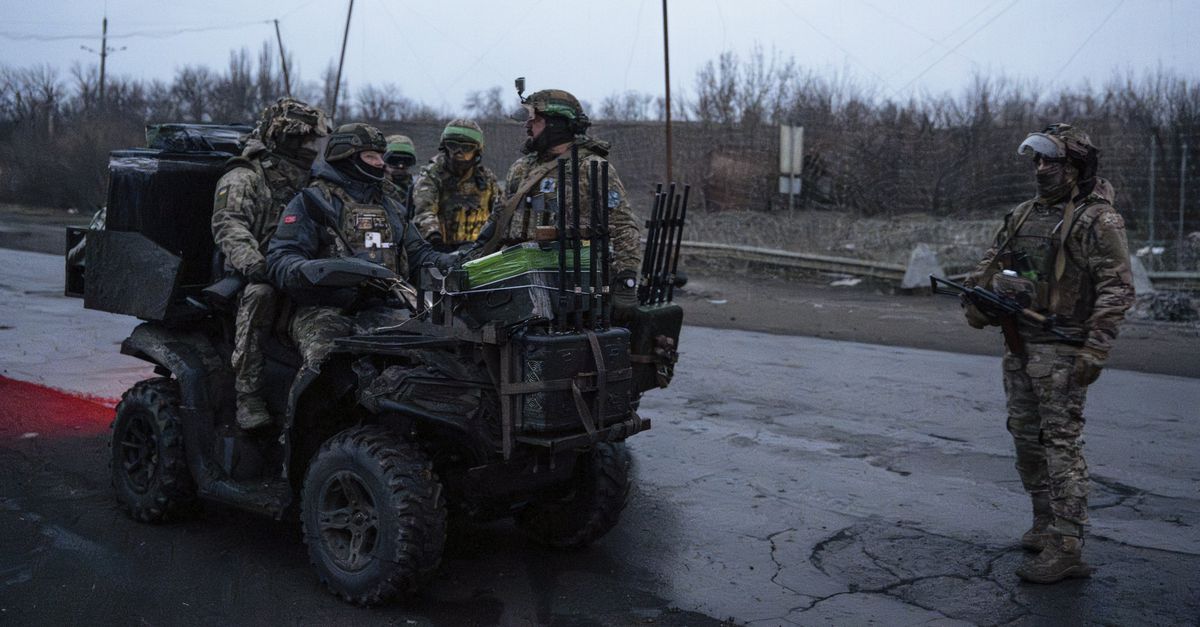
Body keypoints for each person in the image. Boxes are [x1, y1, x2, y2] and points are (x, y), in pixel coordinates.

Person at [963, 123, 1134, 584]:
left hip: (1062, 345)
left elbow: (1117, 289)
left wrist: (1095, 349)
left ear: (1074, 165)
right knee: (1024, 436)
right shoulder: (1024, 214)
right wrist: (978, 300)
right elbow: (989, 265)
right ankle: (1043, 523)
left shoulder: (1098, 219)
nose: (1040, 169)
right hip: (1020, 344)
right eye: (1036, 161)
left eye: (1050, 161)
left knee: (1061, 445)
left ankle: (1068, 545)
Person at [266, 122, 452, 377]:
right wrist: (318, 270)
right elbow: (280, 259)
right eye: (371, 156)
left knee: (442, 347)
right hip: (326, 308)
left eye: (380, 156)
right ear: (346, 157)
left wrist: (460, 261)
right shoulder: (312, 202)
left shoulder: (391, 207)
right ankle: (314, 415)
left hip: (389, 305)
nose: (380, 163)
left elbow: (421, 256)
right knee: (328, 360)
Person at [211, 98, 331, 430]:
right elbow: (228, 225)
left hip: (304, 270)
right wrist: (254, 263)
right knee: (260, 295)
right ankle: (247, 394)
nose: (309, 147)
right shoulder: (246, 176)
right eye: (300, 138)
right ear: (280, 136)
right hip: (260, 272)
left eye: (313, 139)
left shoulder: (315, 180)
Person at [470, 89, 641, 309]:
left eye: (536, 120)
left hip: (568, 283)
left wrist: (625, 282)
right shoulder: (522, 168)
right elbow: (498, 220)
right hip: (515, 276)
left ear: (557, 124)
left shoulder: (591, 167)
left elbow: (623, 226)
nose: (527, 126)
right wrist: (473, 259)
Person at [411, 119, 501, 252]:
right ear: (444, 146)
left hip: (478, 250)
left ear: (476, 150)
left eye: (466, 147)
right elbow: (424, 211)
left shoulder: (486, 179)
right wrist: (435, 240)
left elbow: (500, 212)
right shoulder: (432, 175)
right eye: (453, 145)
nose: (458, 152)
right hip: (439, 250)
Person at [383, 134, 418, 202]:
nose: (400, 166)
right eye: (394, 160)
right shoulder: (376, 189)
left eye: (406, 161)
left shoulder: (417, 188)